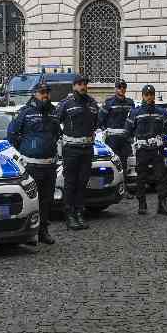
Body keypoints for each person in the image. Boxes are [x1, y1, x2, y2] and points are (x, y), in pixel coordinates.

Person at [7, 80, 61, 245]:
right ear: (35, 94)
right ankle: (30, 233)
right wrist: (27, 149)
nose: (45, 95)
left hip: (50, 165)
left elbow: (57, 134)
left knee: (46, 200)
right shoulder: (25, 113)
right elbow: (12, 134)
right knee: (32, 200)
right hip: (32, 165)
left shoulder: (53, 113)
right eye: (42, 92)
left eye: (47, 92)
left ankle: (43, 231)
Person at [56, 74, 99, 231]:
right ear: (74, 86)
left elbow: (95, 123)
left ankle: (80, 212)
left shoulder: (92, 103)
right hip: (71, 149)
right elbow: (55, 122)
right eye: (80, 84)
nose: (83, 86)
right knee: (70, 183)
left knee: (82, 182)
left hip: (87, 149)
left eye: (85, 84)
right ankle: (69, 214)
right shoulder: (66, 103)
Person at [125, 85, 167, 216]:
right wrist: (134, 143)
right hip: (142, 150)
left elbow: (166, 129)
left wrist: (162, 139)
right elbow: (127, 131)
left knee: (161, 176)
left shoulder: (161, 112)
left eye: (151, 94)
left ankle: (162, 204)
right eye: (147, 94)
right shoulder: (135, 112)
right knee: (141, 177)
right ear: (143, 96)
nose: (149, 97)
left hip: (157, 149)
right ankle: (142, 203)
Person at [98, 79, 135, 198]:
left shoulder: (130, 103)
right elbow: (100, 119)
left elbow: (133, 120)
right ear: (115, 89)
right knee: (112, 164)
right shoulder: (109, 102)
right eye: (119, 87)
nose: (121, 89)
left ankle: (125, 189)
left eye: (123, 87)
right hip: (112, 139)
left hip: (124, 139)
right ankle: (110, 189)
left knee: (124, 165)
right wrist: (106, 131)